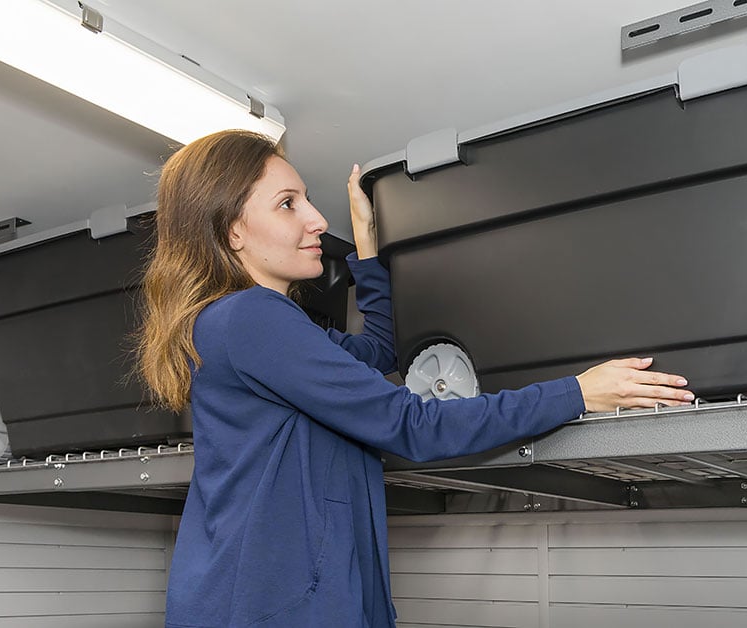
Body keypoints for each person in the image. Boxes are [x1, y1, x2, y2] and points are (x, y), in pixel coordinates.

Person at [135, 129, 693, 628]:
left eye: (306, 198)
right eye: (288, 204)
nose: (317, 220)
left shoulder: (248, 325)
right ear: (233, 231)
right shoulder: (251, 318)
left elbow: (377, 353)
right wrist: (577, 392)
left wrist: (366, 242)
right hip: (269, 605)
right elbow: (414, 427)